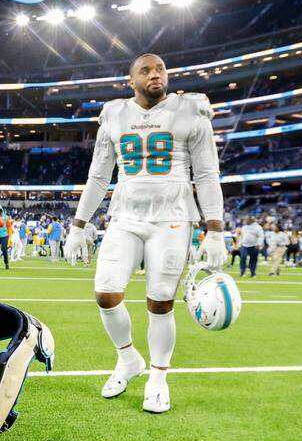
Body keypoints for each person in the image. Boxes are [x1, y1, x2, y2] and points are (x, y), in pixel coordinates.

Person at [66, 53, 225, 414]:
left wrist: (214, 229)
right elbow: (98, 175)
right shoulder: (114, 113)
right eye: (146, 70)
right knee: (105, 293)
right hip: (125, 214)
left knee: (160, 301)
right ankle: (127, 359)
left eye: (160, 69)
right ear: (131, 80)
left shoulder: (191, 110)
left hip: (173, 216)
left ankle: (158, 377)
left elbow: (206, 174)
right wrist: (79, 224)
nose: (155, 75)